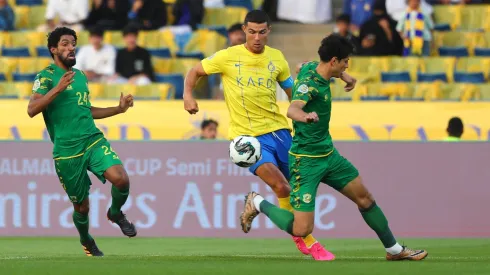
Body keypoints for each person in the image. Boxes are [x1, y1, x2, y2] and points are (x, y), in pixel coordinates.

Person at [183, 10, 356, 261]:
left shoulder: (277, 58)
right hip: (248, 140)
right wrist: (188, 95)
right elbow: (194, 72)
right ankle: (305, 239)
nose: (256, 37)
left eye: (261, 32)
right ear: (244, 30)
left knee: (296, 189)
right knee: (280, 185)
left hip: (280, 131)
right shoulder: (227, 57)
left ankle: (256, 204)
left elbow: (293, 91)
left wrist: (339, 74)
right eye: (251, 32)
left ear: (268, 31)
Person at [240, 34, 429, 262]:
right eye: (345, 61)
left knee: (365, 199)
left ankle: (395, 250)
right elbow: (292, 110)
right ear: (333, 61)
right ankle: (258, 203)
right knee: (302, 229)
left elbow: (301, 65)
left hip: (329, 156)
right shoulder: (310, 86)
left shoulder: (312, 67)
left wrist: (345, 75)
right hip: (305, 162)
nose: (347, 64)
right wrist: (305, 116)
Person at [27, 27, 137, 257]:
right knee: (82, 207)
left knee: (121, 179)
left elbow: (86, 111)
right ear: (53, 49)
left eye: (73, 43)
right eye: (65, 43)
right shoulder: (45, 77)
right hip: (67, 151)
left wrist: (118, 109)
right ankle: (86, 239)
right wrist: (57, 89)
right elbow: (31, 109)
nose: (71, 47)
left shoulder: (80, 76)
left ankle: (115, 213)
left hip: (91, 139)